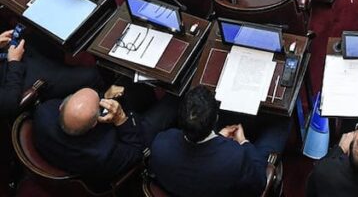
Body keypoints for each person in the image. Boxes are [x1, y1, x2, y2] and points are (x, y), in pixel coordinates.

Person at [149, 85, 290, 197]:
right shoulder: (235, 157)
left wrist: (220, 138)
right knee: (283, 121)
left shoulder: (160, 144)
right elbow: (260, 181)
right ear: (216, 118)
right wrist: (244, 142)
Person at [33, 87, 177, 190]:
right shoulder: (102, 155)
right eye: (99, 102)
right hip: (129, 138)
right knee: (171, 104)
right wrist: (121, 119)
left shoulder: (43, 112)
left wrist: (105, 95)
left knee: (137, 88)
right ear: (94, 124)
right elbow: (135, 151)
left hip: (64, 151)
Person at [0, 27, 103, 119]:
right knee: (91, 75)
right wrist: (14, 61)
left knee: (46, 29)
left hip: (9, 58)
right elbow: (10, 104)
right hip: (17, 78)